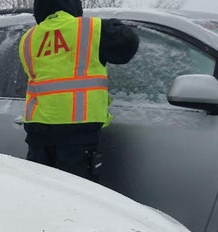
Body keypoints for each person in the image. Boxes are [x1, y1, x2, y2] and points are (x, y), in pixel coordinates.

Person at [19, 0, 139, 181]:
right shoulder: (92, 29)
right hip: (77, 138)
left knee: (41, 194)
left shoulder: (28, 38)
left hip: (38, 136)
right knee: (77, 199)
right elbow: (127, 45)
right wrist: (113, 25)